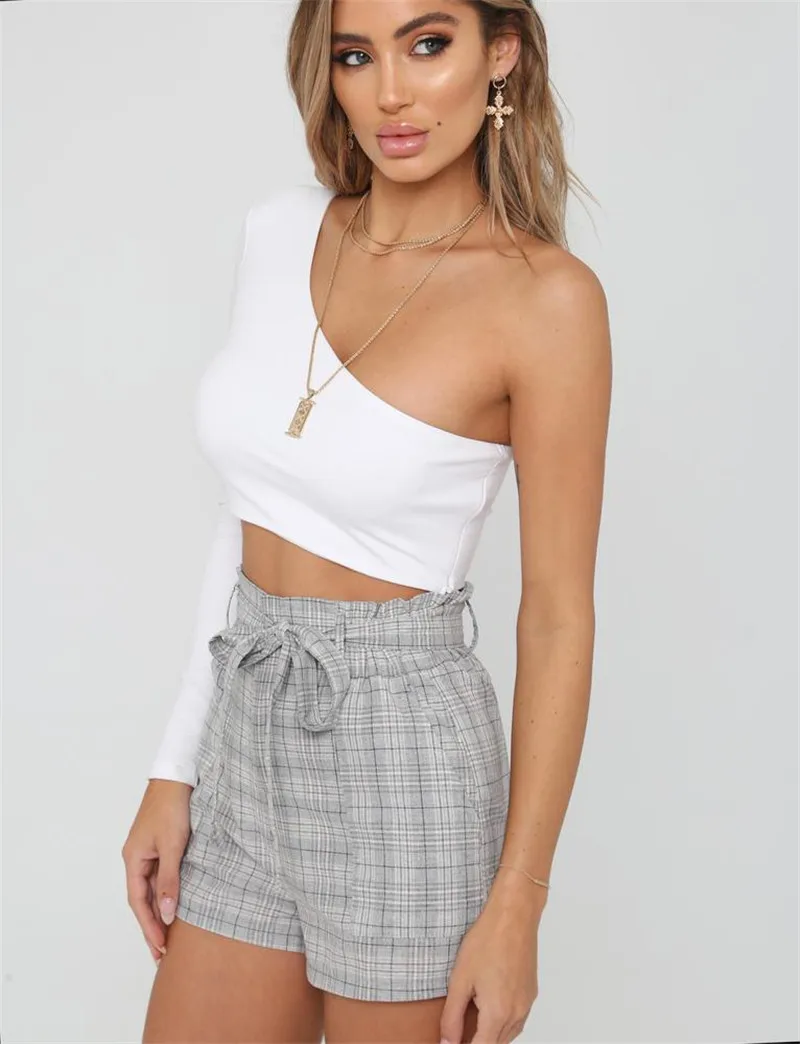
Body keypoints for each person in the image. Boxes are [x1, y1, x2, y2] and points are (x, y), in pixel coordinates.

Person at [123, 1, 611, 1041]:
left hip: (405, 755)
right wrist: (175, 768)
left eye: (427, 45)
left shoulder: (546, 302)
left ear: (500, 53)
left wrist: (518, 902)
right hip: (248, 722)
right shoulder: (280, 231)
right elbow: (250, 511)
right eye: (356, 55)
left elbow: (557, 617)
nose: (391, 92)